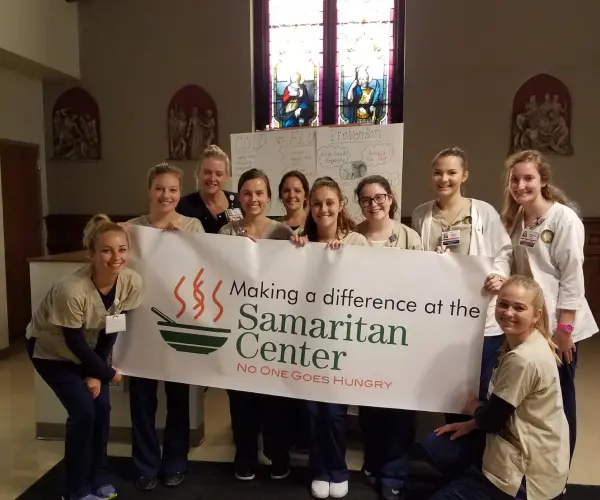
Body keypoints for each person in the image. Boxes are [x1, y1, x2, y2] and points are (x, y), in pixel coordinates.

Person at [25, 214, 142, 500]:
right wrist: (106, 374)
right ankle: (75, 489)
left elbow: (111, 329)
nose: (116, 257)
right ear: (91, 254)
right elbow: (74, 343)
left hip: (91, 354)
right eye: (106, 250)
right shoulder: (72, 289)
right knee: (84, 414)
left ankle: (98, 475)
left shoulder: (130, 282)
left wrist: (96, 372)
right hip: (52, 353)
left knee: (102, 411)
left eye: (122, 249)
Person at [425, 275, 570, 500]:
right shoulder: (525, 342)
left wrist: (473, 408)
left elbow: (491, 421)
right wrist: (473, 422)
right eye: (503, 304)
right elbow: (497, 412)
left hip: (526, 475)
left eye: (519, 307)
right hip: (530, 450)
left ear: (536, 315)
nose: (508, 312)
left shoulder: (524, 358)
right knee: (437, 445)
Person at [501, 149, 598, 461]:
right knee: (533, 396)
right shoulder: (517, 218)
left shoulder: (563, 218)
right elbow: (511, 260)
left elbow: (572, 278)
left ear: (543, 180)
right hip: (529, 323)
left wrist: (565, 331)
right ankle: (534, 461)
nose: (520, 185)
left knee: (559, 399)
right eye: (515, 179)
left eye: (528, 178)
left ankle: (561, 468)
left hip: (558, 326)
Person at [412, 147, 512, 408]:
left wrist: (499, 277)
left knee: (481, 383)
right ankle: (454, 442)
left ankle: (479, 444)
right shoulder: (422, 214)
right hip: (441, 311)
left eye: (452, 173)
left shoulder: (483, 212)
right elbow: (415, 258)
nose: (444, 179)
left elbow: (503, 252)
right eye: (438, 173)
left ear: (464, 175)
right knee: (450, 386)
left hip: (479, 309)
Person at [126, 162, 204, 491]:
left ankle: (175, 461)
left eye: (173, 190)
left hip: (178, 324)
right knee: (142, 399)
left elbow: (205, 268)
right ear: (149, 191)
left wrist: (184, 243)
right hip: (140, 325)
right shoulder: (131, 228)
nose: (166, 195)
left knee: (178, 398)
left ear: (179, 193)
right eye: (159, 188)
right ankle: (145, 464)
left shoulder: (193, 226)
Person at [292, 176, 367, 499]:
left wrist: (344, 257)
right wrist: (296, 253)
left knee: (335, 412)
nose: (323, 209)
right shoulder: (298, 241)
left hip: (342, 340)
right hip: (307, 340)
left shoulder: (356, 242)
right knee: (312, 410)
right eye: (317, 203)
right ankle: (319, 469)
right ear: (310, 207)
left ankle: (337, 469)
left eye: (330, 202)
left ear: (340, 205)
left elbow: (370, 285)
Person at [219, 168, 294, 481]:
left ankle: (278, 455)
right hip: (239, 327)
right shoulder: (226, 232)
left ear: (269, 197)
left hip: (274, 328)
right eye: (247, 193)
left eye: (260, 193)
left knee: (275, 398)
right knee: (241, 399)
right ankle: (245, 455)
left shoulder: (283, 232)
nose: (253, 199)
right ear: (239, 197)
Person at [354, 175, 421, 500]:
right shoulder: (353, 237)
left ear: (390, 198)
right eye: (366, 199)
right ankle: (373, 459)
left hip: (400, 335)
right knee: (369, 404)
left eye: (379, 197)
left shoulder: (409, 237)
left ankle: (394, 471)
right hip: (364, 334)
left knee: (398, 405)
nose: (373, 204)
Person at [177, 145, 242, 234]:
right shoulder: (183, 206)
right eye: (207, 172)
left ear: (226, 177)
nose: (212, 178)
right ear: (198, 173)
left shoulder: (239, 201)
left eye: (218, 174)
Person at [277, 170, 309, 234]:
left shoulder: (316, 224)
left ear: (305, 195)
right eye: (287, 191)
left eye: (297, 191)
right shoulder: (273, 226)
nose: (291, 195)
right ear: (281, 195)